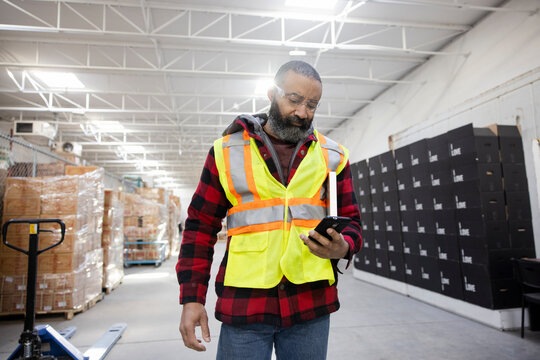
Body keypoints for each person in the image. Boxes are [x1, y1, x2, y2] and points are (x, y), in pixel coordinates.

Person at [176, 60, 362, 359]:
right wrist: (191, 297)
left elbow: (352, 222)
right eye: (294, 100)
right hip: (246, 306)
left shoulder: (333, 156)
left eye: (312, 104)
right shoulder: (227, 152)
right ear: (271, 93)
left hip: (310, 304)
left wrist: (343, 247)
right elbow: (199, 228)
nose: (303, 112)